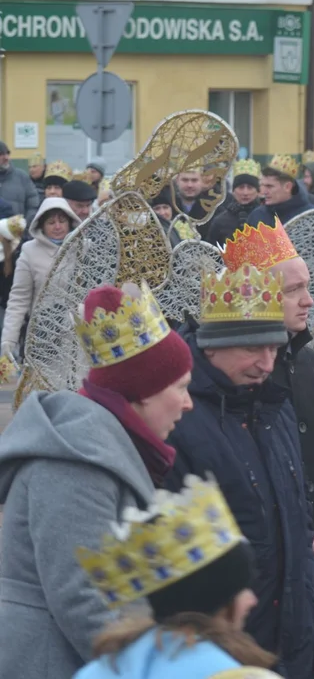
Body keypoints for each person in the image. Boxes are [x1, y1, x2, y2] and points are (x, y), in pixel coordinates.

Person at [0, 283, 193, 679]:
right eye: (181, 387)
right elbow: (84, 599)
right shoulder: (77, 459)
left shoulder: (103, 446)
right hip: (51, 662)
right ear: (145, 392)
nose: (189, 403)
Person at [222, 220, 314, 679]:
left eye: (308, 287)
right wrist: (289, 531)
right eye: (295, 290)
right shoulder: (231, 381)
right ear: (260, 297)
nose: (309, 300)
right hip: (257, 597)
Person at [165, 263, 314, 679]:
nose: (267, 364)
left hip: (291, 636)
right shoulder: (180, 420)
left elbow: (297, 513)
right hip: (220, 647)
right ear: (211, 347)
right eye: (253, 349)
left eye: (274, 348)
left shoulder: (274, 406)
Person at [73, 476, 277, 678]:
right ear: (216, 600)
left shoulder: (99, 670)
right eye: (240, 590)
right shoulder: (234, 675)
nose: (252, 599)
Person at [0, 197, 79, 357]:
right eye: (51, 222)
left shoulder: (83, 246)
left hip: (79, 334)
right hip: (43, 335)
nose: (57, 226)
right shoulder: (29, 251)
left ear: (70, 222)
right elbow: (19, 299)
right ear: (41, 225)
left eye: (62, 221)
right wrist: (8, 340)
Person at [248, 154, 314, 227]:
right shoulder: (257, 216)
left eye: (269, 186)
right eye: (262, 185)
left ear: (287, 187)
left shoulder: (311, 216)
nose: (264, 192)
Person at [207, 159, 262, 247]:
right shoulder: (220, 221)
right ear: (233, 191)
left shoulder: (267, 217)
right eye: (241, 187)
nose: (245, 193)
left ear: (258, 191)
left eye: (250, 187)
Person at [0, 140, 40, 224]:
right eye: (1, 154)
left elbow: (33, 204)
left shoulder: (22, 177)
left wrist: (25, 224)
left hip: (18, 234)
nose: (6, 157)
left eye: (7, 153)